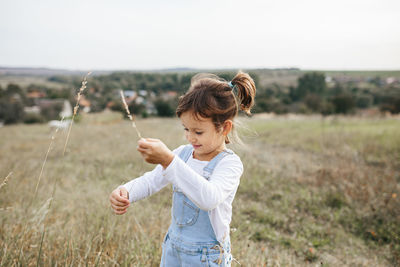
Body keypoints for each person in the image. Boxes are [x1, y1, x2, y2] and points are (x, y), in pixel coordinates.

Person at [109, 71, 256, 266]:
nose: (190, 137)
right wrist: (126, 191)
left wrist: (169, 160)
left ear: (224, 128)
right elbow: (151, 181)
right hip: (173, 249)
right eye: (186, 129)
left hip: (206, 256)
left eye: (198, 131)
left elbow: (209, 199)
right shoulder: (182, 155)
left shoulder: (229, 164)